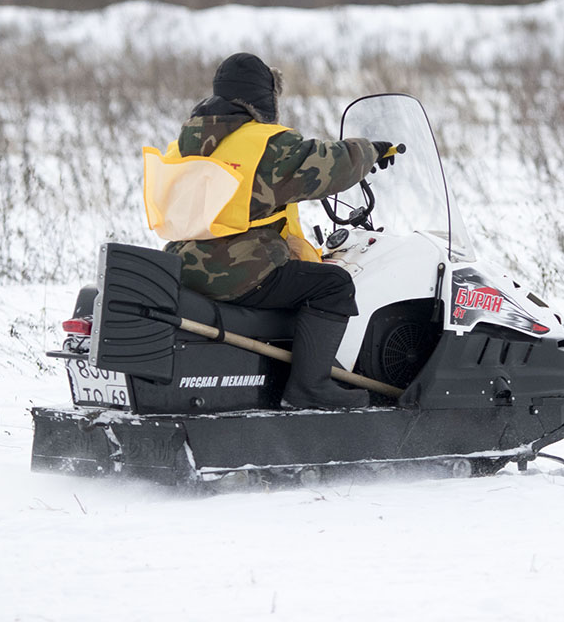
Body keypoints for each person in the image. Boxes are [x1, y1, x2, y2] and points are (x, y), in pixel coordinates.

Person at [165, 52, 396, 410]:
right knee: (332, 286)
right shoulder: (264, 144)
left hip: (184, 264)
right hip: (234, 272)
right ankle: (310, 387)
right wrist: (371, 150)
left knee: (297, 275)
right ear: (264, 98)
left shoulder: (187, 141)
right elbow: (327, 164)